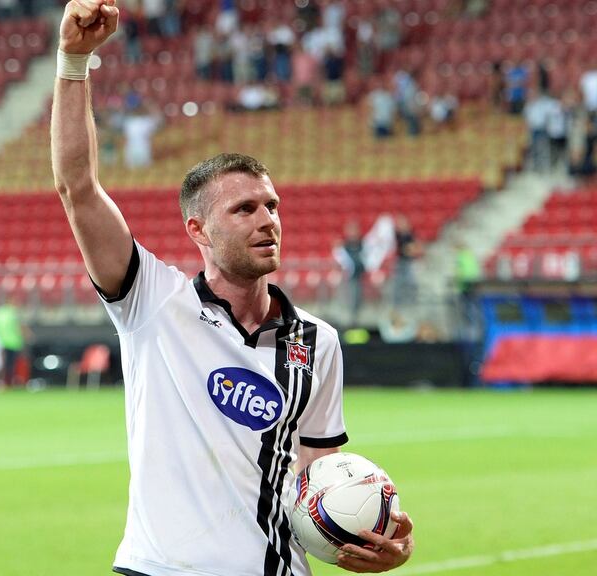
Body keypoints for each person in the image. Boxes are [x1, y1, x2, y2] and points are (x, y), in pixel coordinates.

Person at [51, 3, 414, 576]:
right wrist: (74, 62)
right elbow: (78, 187)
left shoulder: (316, 342)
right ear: (198, 230)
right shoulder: (151, 301)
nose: (267, 219)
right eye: (244, 209)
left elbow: (319, 477)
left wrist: (368, 543)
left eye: (271, 205)